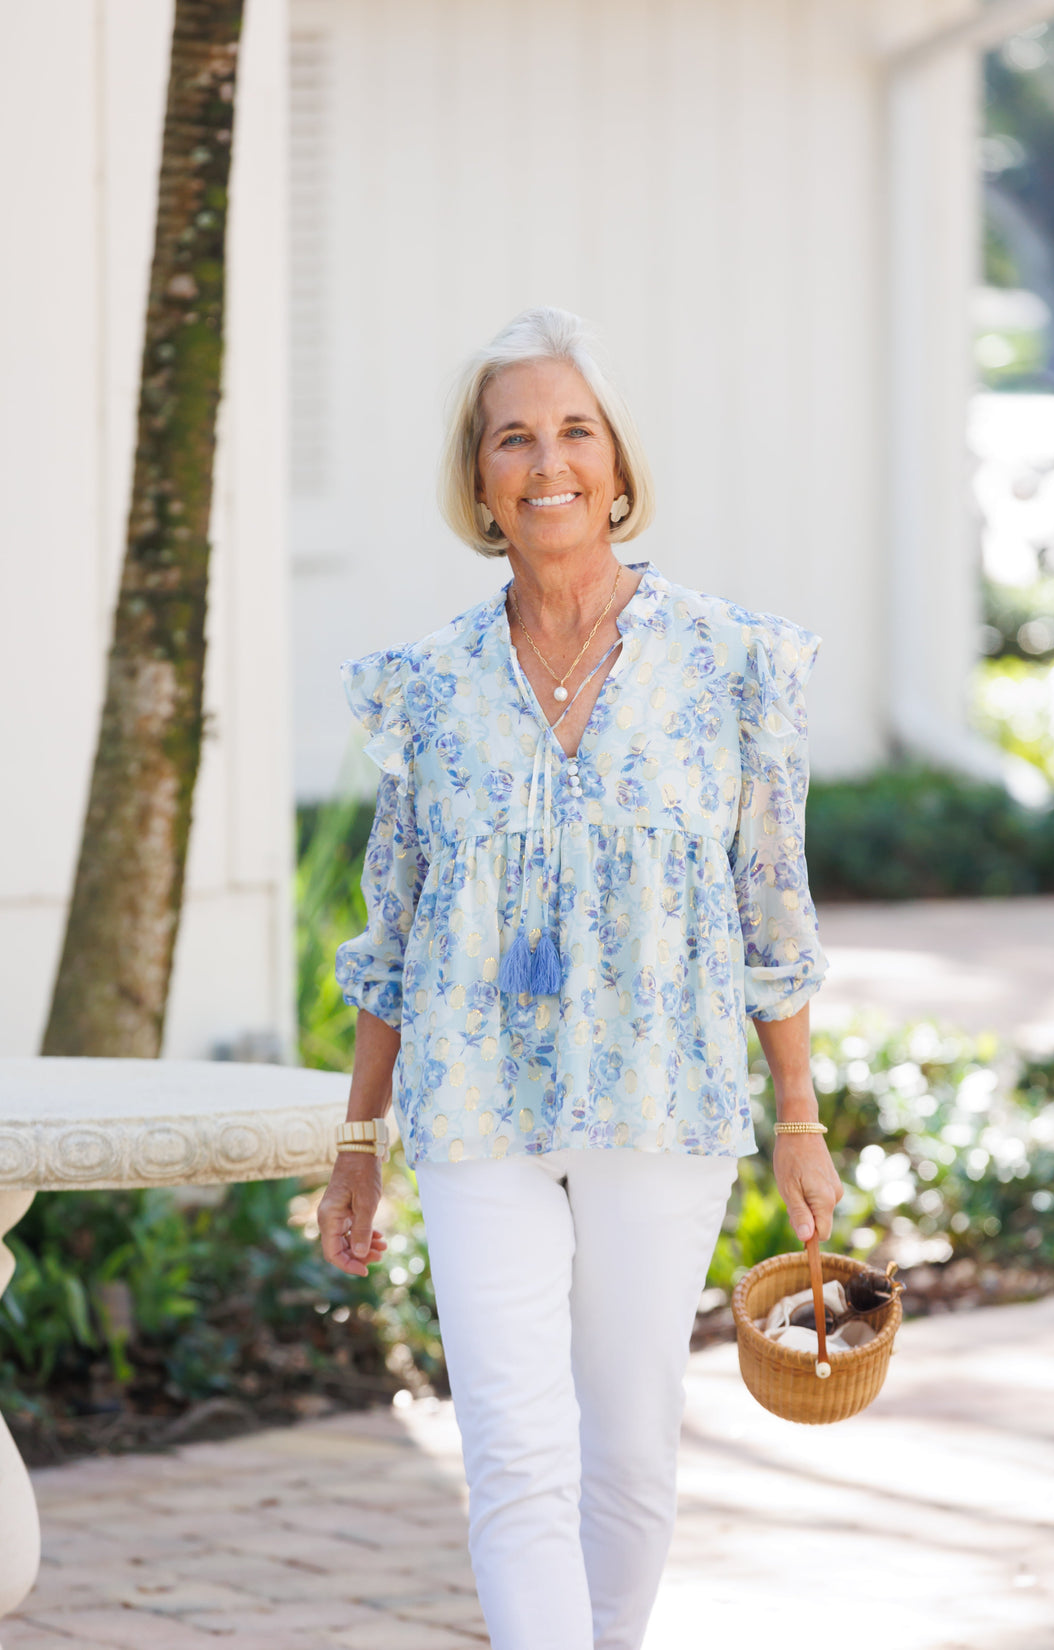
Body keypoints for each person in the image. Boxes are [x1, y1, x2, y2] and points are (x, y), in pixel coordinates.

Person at [318, 306, 841, 1650]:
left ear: (616, 464)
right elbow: (395, 925)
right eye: (514, 437)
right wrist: (358, 1141)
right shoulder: (430, 685)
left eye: (574, 431)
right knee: (512, 1447)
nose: (546, 460)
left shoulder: (728, 663)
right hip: (473, 1101)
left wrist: (798, 1111)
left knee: (628, 1451)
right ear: (480, 479)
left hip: (660, 1100)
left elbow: (769, 904)